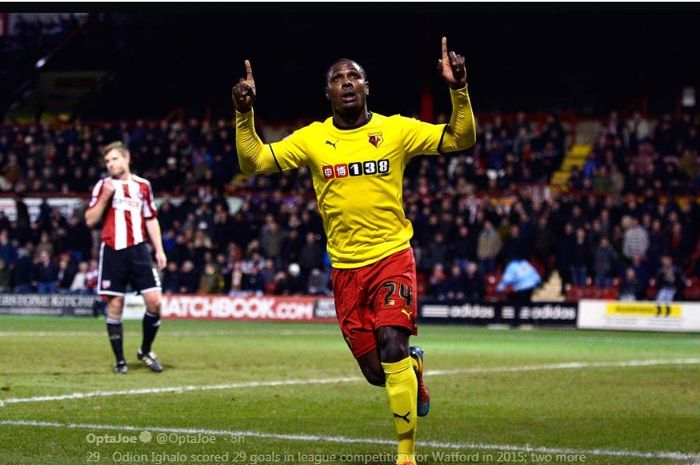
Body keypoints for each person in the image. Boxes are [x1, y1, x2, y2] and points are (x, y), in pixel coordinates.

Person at [233, 37, 475, 465]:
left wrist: (459, 89)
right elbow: (253, 162)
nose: (346, 83)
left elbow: (460, 138)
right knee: (376, 372)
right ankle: (413, 370)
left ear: (367, 87)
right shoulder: (312, 139)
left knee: (392, 344)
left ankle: (405, 453)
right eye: (337, 78)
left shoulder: (395, 130)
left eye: (354, 76)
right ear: (327, 93)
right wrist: (243, 113)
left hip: (392, 257)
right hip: (345, 269)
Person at [85, 141, 167, 374]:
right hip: (112, 251)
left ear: (126, 158)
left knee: (155, 301)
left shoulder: (143, 186)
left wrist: (159, 249)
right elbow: (90, 220)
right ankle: (120, 361)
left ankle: (145, 350)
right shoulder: (103, 186)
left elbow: (151, 218)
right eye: (107, 161)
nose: (110, 164)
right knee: (116, 305)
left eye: (114, 159)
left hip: (139, 250)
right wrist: (105, 198)